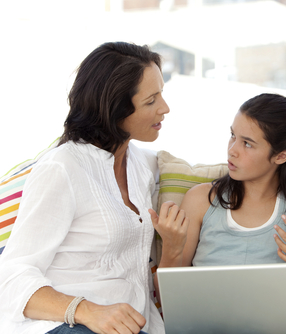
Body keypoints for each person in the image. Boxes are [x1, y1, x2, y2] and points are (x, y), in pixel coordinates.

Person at [0, 42, 171, 334]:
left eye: (162, 95)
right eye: (151, 101)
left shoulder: (140, 166)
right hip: (66, 325)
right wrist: (87, 311)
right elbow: (11, 276)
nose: (165, 109)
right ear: (115, 108)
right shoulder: (62, 168)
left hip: (131, 327)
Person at [149, 93, 286, 304]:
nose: (232, 150)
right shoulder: (201, 200)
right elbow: (166, 297)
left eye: (247, 144)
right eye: (233, 135)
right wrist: (171, 246)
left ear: (281, 155)